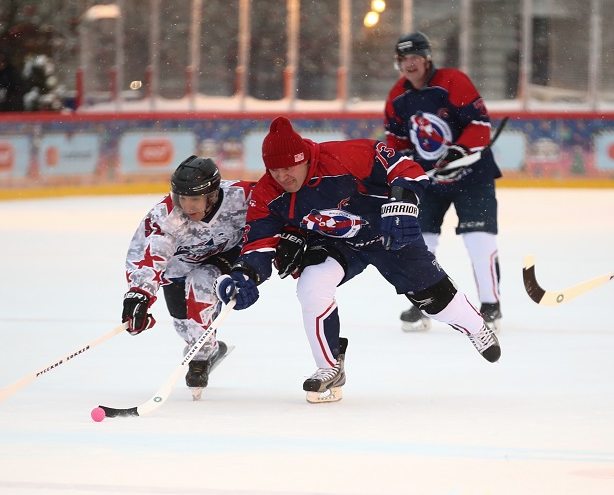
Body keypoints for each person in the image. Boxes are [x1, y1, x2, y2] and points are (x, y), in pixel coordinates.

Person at [216, 116, 501, 404]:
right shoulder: (267, 192)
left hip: (388, 234)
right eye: (274, 170)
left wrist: (402, 203)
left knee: (437, 303)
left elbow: (404, 168)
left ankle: (476, 327)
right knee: (311, 286)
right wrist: (245, 273)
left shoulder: (345, 156)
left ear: (303, 159)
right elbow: (260, 242)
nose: (282, 177)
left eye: (289, 168)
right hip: (335, 242)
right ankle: (329, 366)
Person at [384, 31, 503, 333]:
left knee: (479, 241)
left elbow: (479, 126)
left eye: (415, 58)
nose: (409, 64)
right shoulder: (397, 96)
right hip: (429, 180)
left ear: (427, 59)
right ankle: (425, 303)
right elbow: (397, 144)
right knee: (419, 242)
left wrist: (458, 152)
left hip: (472, 174)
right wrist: (406, 173)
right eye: (404, 59)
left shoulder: (453, 81)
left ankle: (490, 306)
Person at [122, 155, 253, 399]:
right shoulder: (166, 217)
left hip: (225, 255)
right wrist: (139, 295)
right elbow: (149, 255)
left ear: (212, 196)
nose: (187, 206)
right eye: (182, 198)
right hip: (178, 269)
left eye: (195, 198)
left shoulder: (242, 197)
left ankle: (200, 360)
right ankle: (208, 348)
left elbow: (276, 207)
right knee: (186, 326)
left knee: (202, 281)